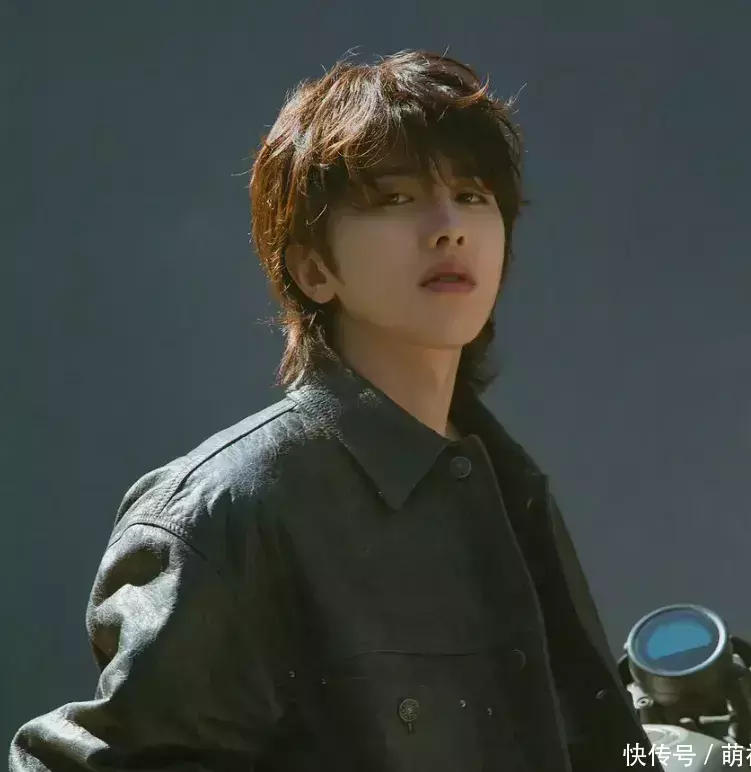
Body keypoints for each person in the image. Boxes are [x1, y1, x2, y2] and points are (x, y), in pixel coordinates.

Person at [9, 50, 656, 771]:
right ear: (314, 268)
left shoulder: (508, 485)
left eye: (473, 195)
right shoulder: (230, 511)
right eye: (397, 199)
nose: (450, 226)